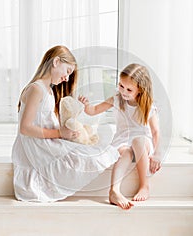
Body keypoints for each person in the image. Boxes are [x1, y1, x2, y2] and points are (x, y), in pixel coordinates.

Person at [11, 45, 119, 202]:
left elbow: (47, 120)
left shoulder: (47, 90)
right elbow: (25, 128)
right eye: (67, 71)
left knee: (95, 148)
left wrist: (76, 114)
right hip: (38, 144)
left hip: (47, 139)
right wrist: (60, 134)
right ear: (56, 62)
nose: (67, 78)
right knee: (92, 156)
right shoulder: (36, 89)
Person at [78, 63, 161, 210]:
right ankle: (114, 191)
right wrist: (86, 106)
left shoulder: (147, 105)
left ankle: (144, 185)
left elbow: (155, 132)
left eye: (129, 89)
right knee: (127, 152)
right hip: (123, 140)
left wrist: (156, 155)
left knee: (138, 140)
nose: (123, 91)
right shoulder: (116, 99)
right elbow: (94, 110)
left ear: (140, 90)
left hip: (143, 141)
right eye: (121, 86)